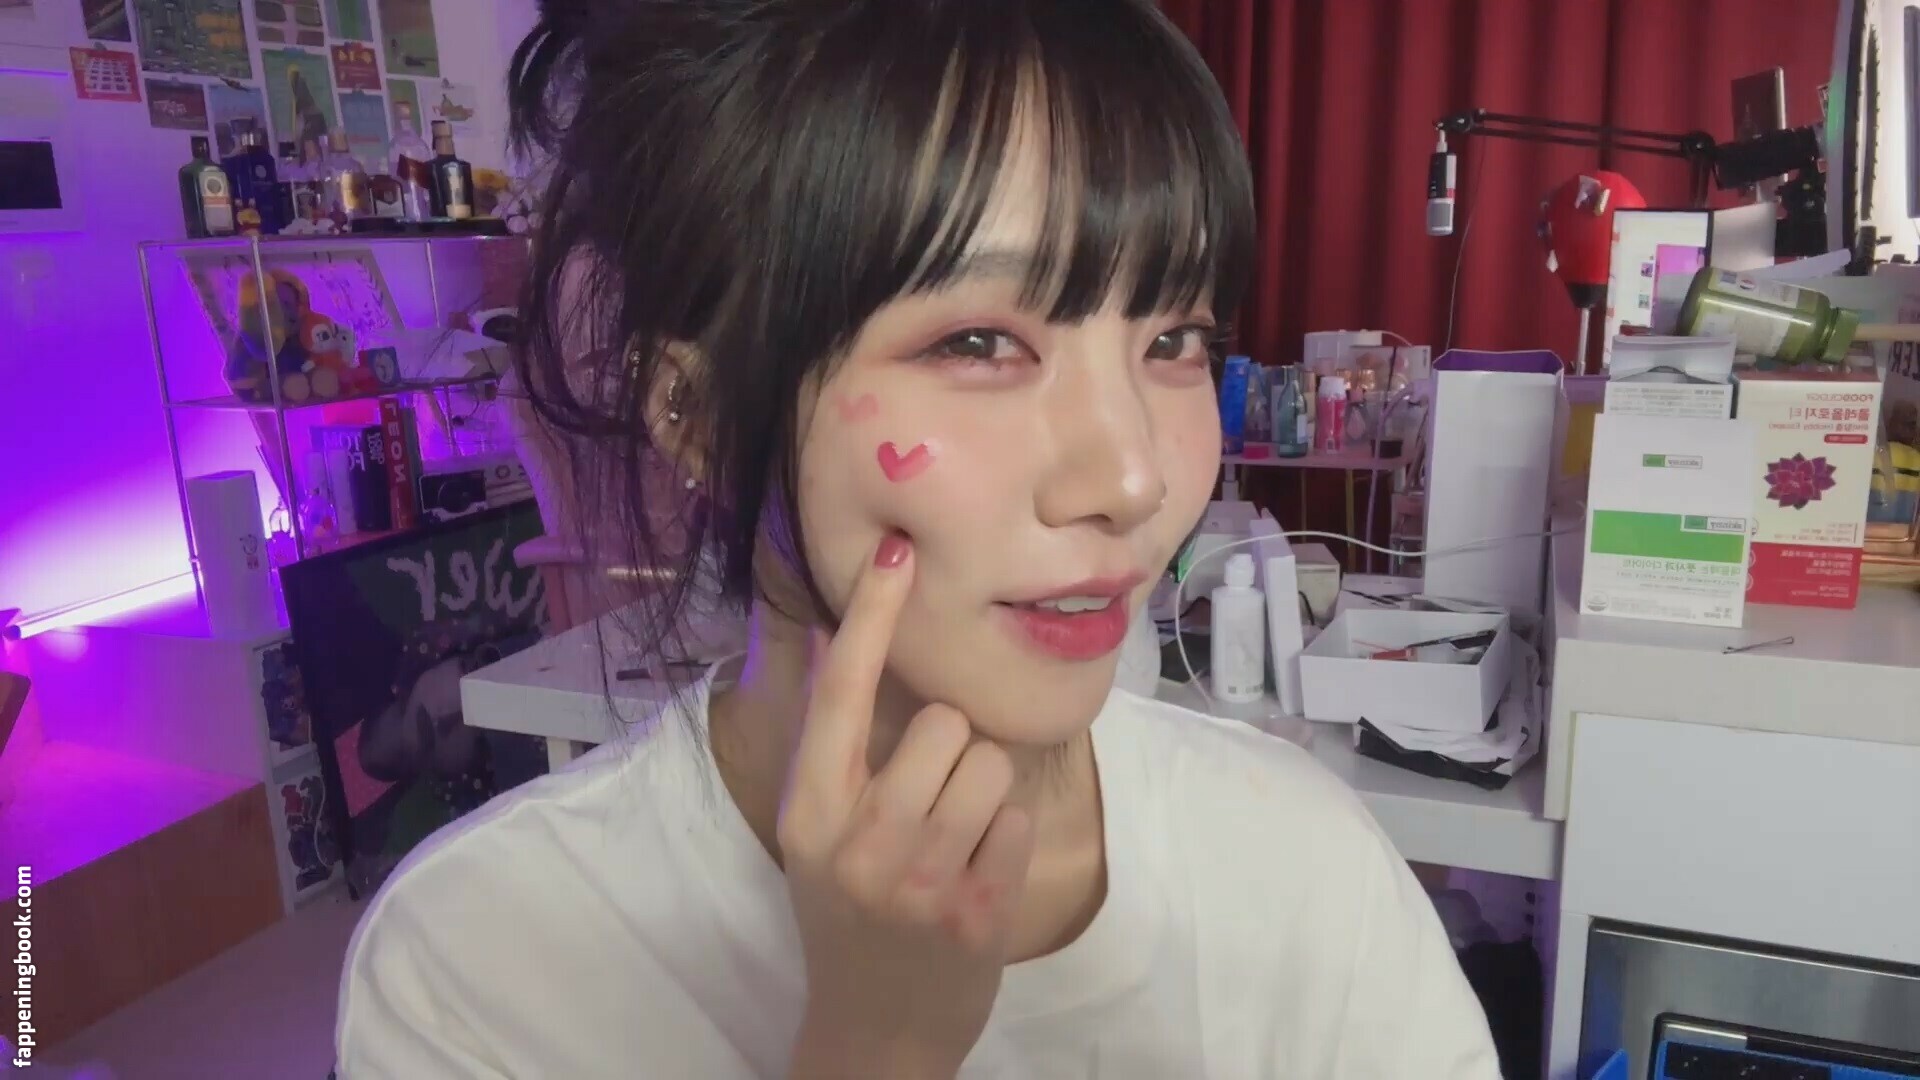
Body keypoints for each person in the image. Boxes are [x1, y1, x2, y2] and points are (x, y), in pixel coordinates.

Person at [335, 1, 1502, 1076]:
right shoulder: (482, 966)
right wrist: (875, 1050)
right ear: (698, 415)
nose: (1134, 477)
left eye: (1176, 340)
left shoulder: (1305, 868)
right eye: (979, 343)